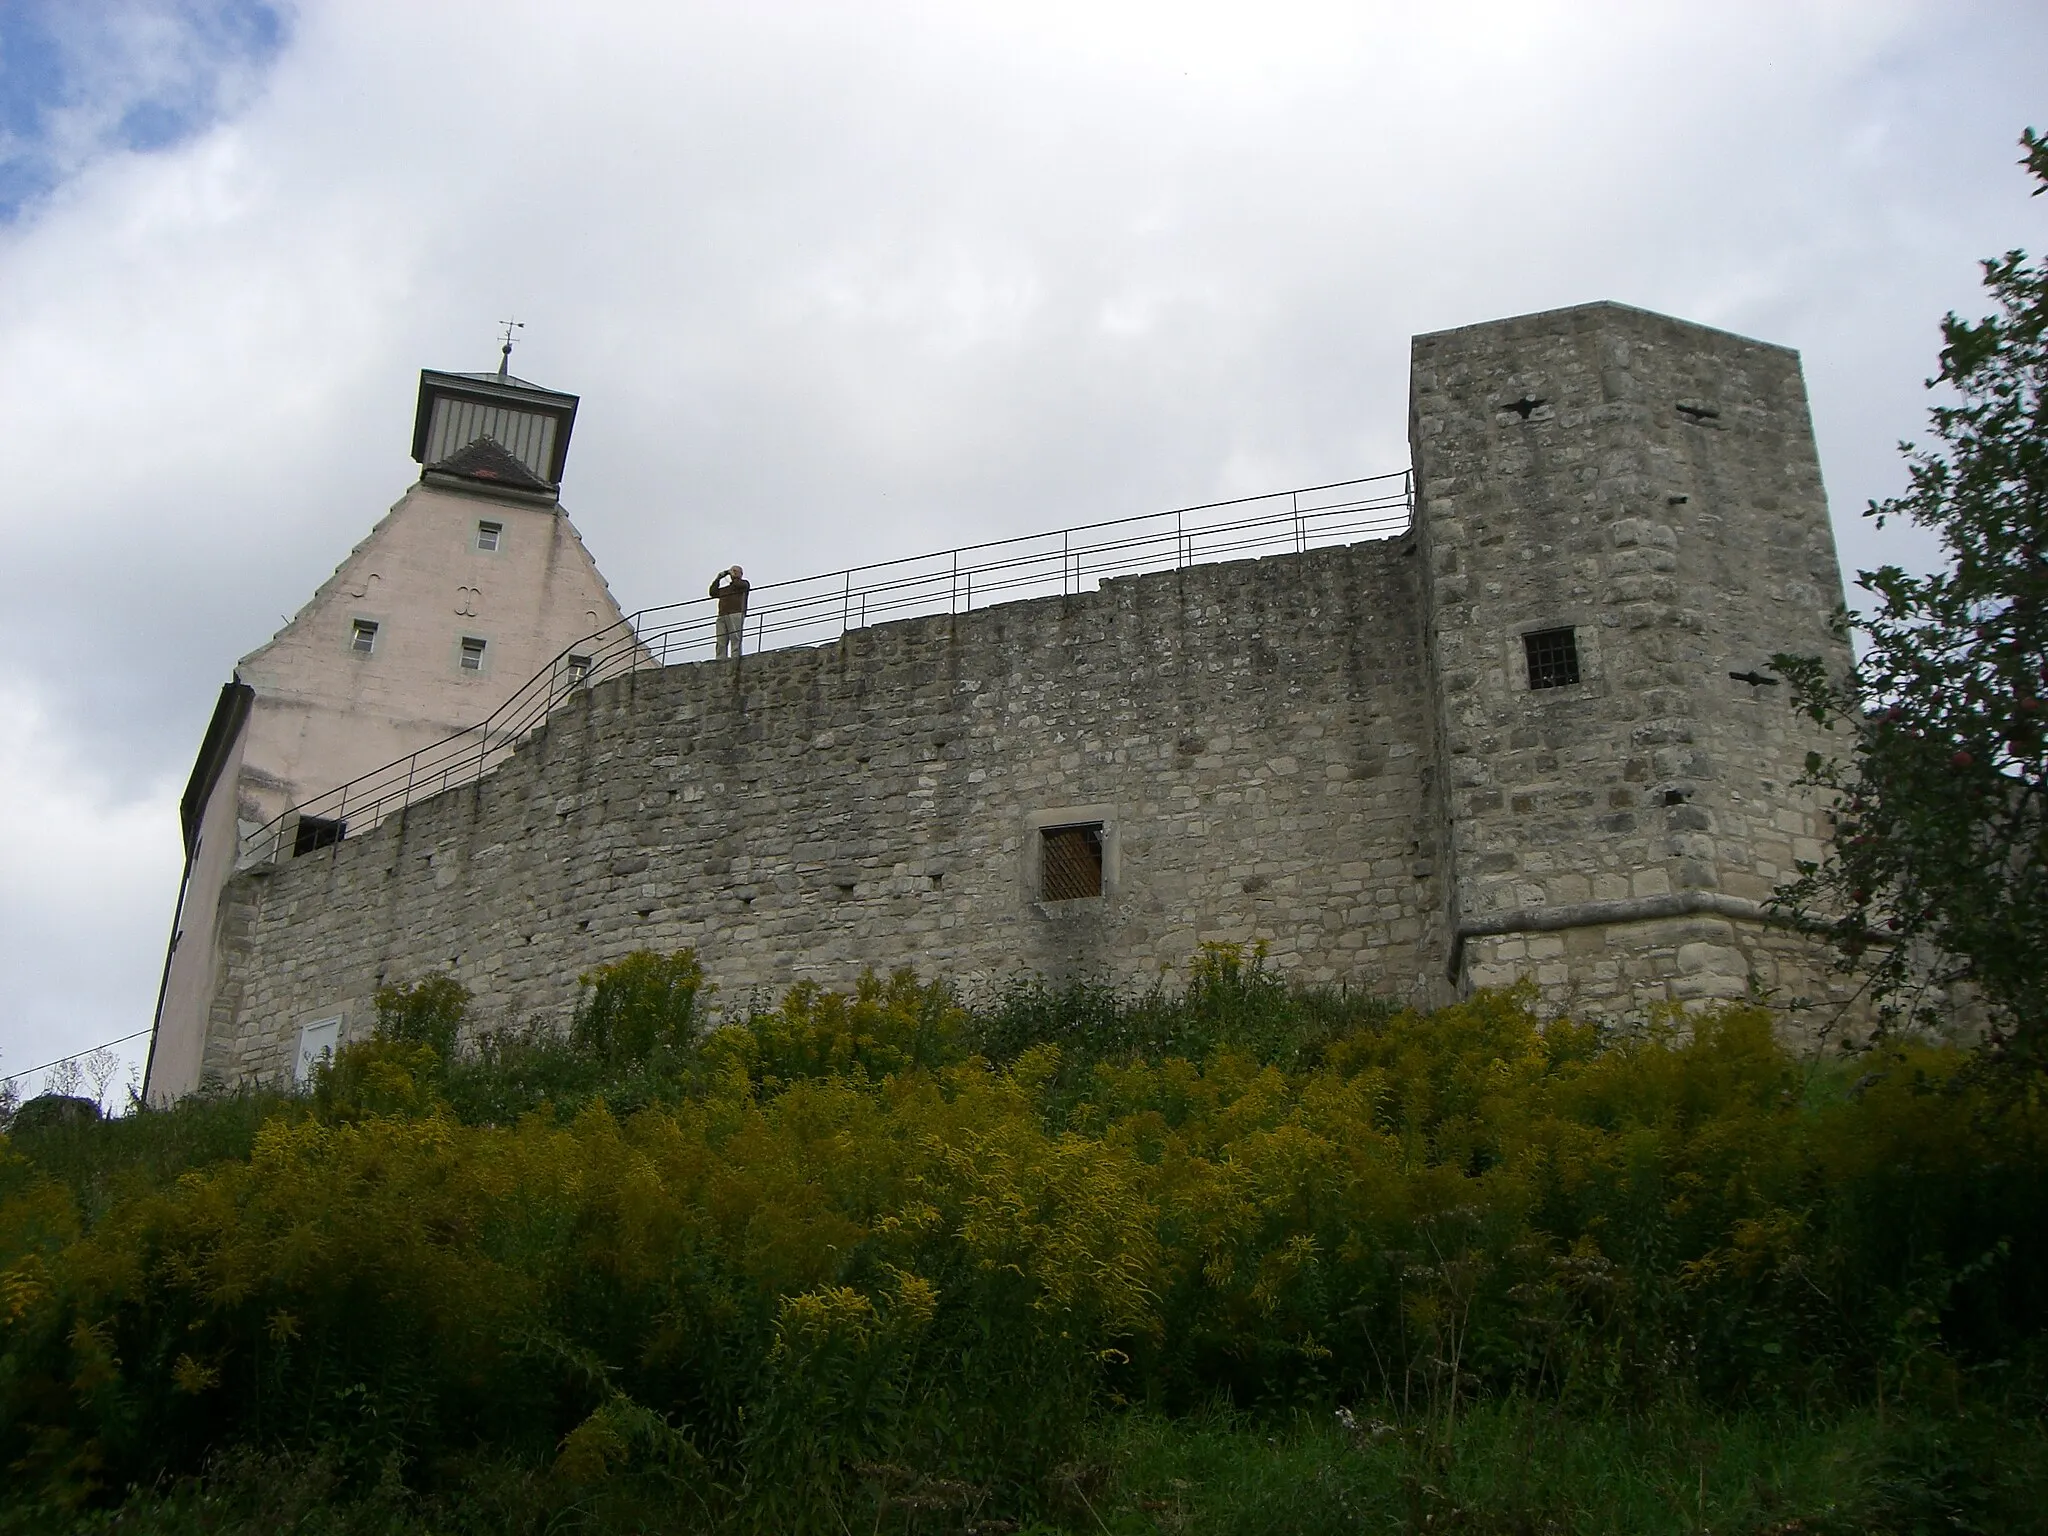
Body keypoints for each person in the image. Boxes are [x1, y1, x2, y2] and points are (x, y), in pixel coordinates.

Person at [710, 565, 750, 660]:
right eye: (732, 571)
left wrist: (733, 577)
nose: (733, 572)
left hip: (736, 613)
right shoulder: (725, 589)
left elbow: (738, 585)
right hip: (722, 615)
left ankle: (735, 657)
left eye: (736, 571)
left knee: (735, 637)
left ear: (741, 574)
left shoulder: (744, 584)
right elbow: (712, 592)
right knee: (721, 639)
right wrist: (718, 578)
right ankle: (720, 658)